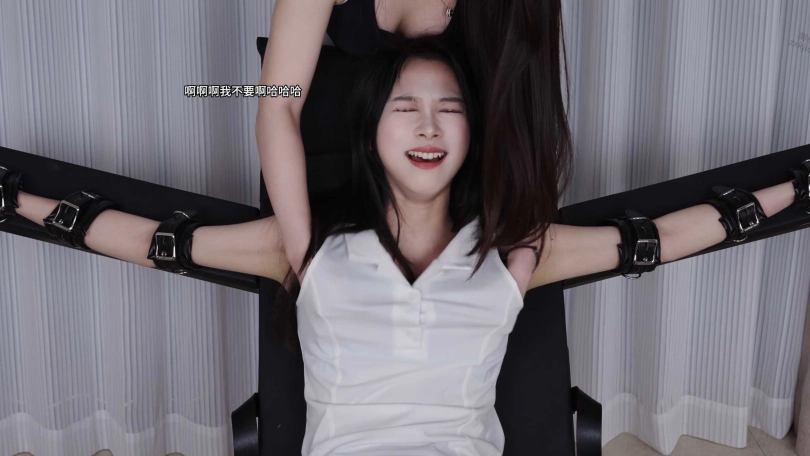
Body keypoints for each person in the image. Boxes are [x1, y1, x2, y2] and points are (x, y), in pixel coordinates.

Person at [2, 36, 808, 456]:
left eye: (449, 109)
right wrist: (21, 203)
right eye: (405, 108)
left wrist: (791, 193)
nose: (428, 125)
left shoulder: (515, 251)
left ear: (472, 134)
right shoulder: (306, 249)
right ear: (371, 134)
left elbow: (650, 243)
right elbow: (163, 244)